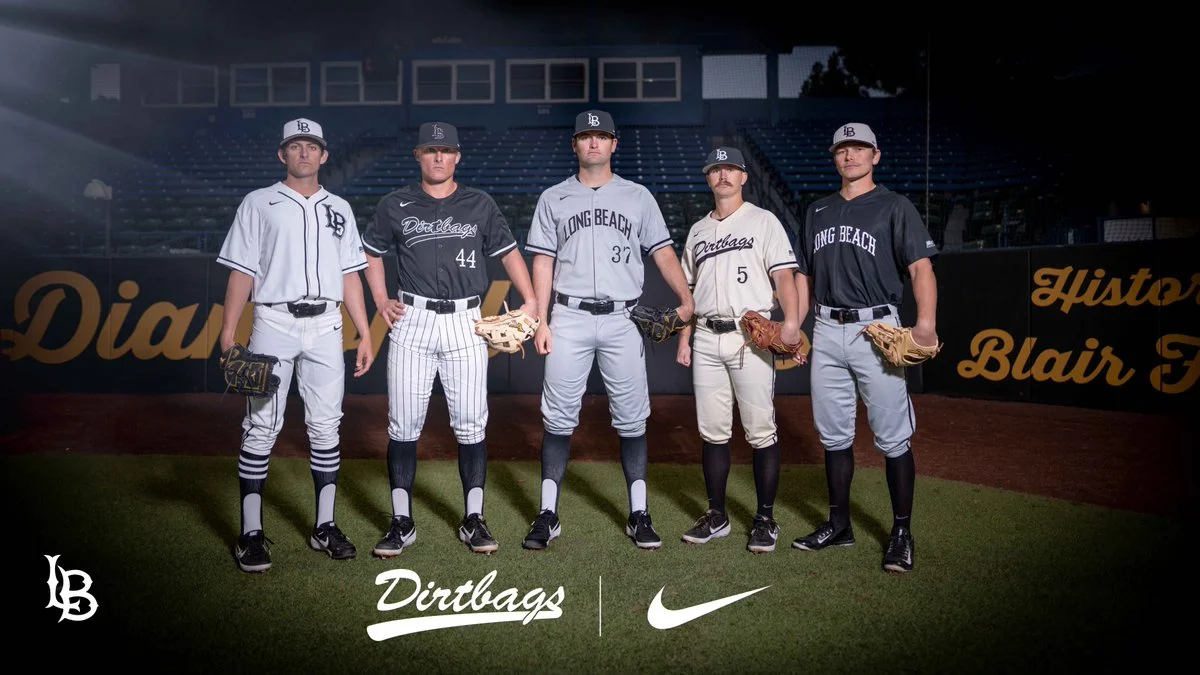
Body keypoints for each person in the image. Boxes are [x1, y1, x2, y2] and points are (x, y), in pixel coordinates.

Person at [521, 109, 694, 551]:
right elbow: (543, 261)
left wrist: (686, 297)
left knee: (632, 418)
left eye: (601, 136)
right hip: (569, 316)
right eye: (585, 136)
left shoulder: (638, 196)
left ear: (614, 144)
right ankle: (547, 514)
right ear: (575, 144)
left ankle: (639, 513)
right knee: (557, 418)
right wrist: (542, 320)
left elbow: (663, 252)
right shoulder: (554, 197)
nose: (593, 142)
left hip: (623, 318)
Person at [361, 121, 536, 556]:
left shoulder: (479, 203)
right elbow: (370, 251)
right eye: (430, 150)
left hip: (465, 321)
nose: (438, 157)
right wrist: (380, 299)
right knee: (403, 424)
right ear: (418, 156)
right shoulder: (394, 203)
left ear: (457, 156)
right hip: (412, 319)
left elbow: (509, 253)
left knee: (472, 423)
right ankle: (401, 521)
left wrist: (532, 299)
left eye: (445, 150)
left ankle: (473, 519)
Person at [217, 118, 375, 573]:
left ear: (324, 155)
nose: (304, 152)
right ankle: (250, 533)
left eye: (311, 146)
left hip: (326, 325)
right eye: (295, 145)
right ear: (282, 154)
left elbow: (350, 275)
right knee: (261, 426)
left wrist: (365, 331)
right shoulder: (258, 202)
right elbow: (241, 271)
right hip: (273, 322)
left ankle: (325, 526)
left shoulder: (340, 207)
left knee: (326, 427)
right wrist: (228, 333)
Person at [791, 122, 939, 573]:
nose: (849, 155)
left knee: (892, 435)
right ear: (834, 157)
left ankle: (901, 533)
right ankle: (840, 525)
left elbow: (921, 268)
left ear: (875, 155)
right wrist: (795, 325)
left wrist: (926, 323)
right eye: (842, 149)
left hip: (877, 328)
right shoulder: (817, 211)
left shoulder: (895, 206)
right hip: (825, 327)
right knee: (833, 435)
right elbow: (804, 277)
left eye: (858, 148)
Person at [674, 147, 801, 553]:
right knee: (712, 431)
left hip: (750, 337)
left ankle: (765, 519)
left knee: (760, 430)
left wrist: (792, 323)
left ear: (744, 177)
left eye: (731, 168)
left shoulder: (764, 221)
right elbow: (689, 293)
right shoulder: (697, 231)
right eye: (716, 169)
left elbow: (785, 278)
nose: (723, 175)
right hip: (706, 337)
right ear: (708, 178)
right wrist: (684, 338)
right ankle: (717, 515)